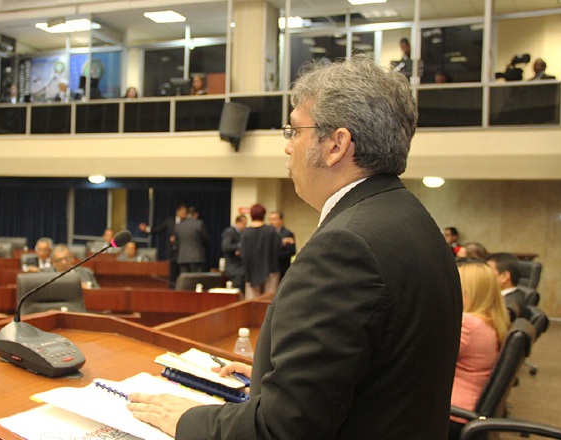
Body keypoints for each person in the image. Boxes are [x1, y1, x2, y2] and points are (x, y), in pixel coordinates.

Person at [128, 55, 462, 439]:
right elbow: (383, 368)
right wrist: (277, 378)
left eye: (294, 132)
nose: (287, 147)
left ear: (336, 145)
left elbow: (281, 430)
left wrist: (186, 418)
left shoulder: (345, 246)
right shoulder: (412, 219)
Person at [448, 262, 509, 440]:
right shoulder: (491, 322)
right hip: (467, 409)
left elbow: (427, 356)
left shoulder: (469, 323)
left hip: (452, 414)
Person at [140, 204, 187, 286]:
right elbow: (158, 229)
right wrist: (146, 229)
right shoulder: (170, 221)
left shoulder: (187, 223)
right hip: (172, 252)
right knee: (172, 272)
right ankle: (171, 288)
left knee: (182, 272)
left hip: (183, 251)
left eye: (185, 212)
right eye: (183, 212)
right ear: (178, 211)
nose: (184, 214)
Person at [240, 203, 279, 299]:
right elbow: (277, 249)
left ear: (251, 215)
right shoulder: (271, 231)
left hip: (251, 271)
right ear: (264, 215)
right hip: (270, 270)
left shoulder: (245, 232)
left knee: (252, 305)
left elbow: (243, 253)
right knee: (268, 303)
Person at [486, 252, 528, 320]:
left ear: (504, 276)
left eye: (487, 271)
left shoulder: (509, 306)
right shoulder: (511, 297)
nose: (482, 276)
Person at [173, 207, 209, 274]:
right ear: (196, 215)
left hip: (182, 257)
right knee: (196, 280)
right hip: (196, 257)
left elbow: (176, 242)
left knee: (185, 281)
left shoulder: (178, 226)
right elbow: (206, 239)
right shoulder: (199, 224)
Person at [220, 215, 247, 290]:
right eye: (244, 224)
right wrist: (239, 246)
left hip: (240, 266)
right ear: (238, 222)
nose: (245, 226)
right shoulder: (229, 232)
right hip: (233, 266)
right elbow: (225, 247)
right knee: (237, 288)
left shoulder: (242, 233)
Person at [268, 211, 296, 279]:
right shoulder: (267, 234)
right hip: (269, 270)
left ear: (281, 220)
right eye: (270, 219)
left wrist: (275, 255)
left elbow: (292, 251)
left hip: (282, 268)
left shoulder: (287, 233)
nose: (272, 222)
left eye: (274, 219)